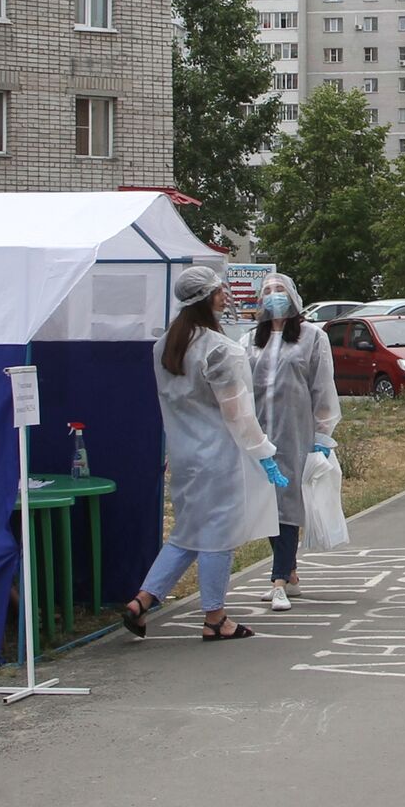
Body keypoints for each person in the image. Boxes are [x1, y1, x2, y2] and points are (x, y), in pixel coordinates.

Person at [119, 266, 285, 643]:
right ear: (205, 298)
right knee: (218, 538)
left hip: (183, 454)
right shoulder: (219, 349)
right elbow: (237, 412)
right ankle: (215, 617)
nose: (225, 296)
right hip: (218, 456)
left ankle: (142, 601)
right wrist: (264, 452)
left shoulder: (166, 345)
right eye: (219, 291)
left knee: (188, 533)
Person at [250, 273, 341, 613]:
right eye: (267, 291)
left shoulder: (311, 337)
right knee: (267, 504)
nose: (273, 296)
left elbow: (323, 387)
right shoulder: (252, 340)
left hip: (296, 434)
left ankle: (277, 582)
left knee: (287, 505)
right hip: (260, 435)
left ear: (293, 297)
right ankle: (291, 574)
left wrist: (321, 434)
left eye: (279, 290)